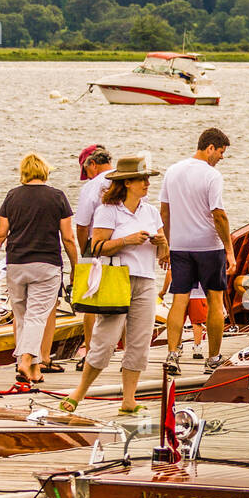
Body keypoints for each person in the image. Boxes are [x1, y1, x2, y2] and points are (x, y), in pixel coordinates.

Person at [60, 156, 168, 415]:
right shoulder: (108, 210)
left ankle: (128, 400)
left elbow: (164, 253)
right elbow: (95, 247)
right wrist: (127, 240)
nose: (147, 184)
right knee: (105, 340)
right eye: (142, 179)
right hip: (115, 280)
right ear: (127, 182)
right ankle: (80, 391)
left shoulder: (150, 211)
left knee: (140, 342)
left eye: (148, 179)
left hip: (146, 280)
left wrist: (162, 244)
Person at [0, 153, 79, 385]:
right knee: (37, 316)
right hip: (46, 265)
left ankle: (32, 369)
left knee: (22, 315)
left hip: (15, 264)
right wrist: (77, 266)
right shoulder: (57, 197)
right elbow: (68, 238)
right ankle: (26, 360)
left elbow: (0, 233)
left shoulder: (12, 196)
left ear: (24, 172)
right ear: (44, 171)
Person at [160, 128, 235, 376]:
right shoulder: (212, 176)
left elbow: (164, 212)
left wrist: (167, 245)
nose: (221, 158)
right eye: (221, 152)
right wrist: (230, 250)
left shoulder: (172, 171)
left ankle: (172, 355)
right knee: (214, 301)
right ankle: (213, 358)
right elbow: (219, 215)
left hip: (180, 246)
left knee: (179, 299)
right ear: (210, 147)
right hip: (208, 247)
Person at [72, 144, 114, 365]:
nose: (87, 176)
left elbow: (81, 224)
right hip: (121, 244)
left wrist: (83, 250)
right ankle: (121, 352)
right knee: (121, 300)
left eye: (86, 171)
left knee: (90, 302)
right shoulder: (125, 179)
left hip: (94, 244)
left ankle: (89, 351)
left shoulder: (92, 187)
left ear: (93, 164)